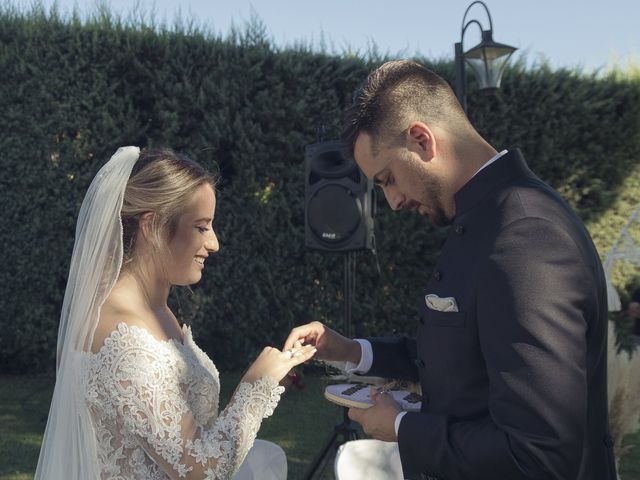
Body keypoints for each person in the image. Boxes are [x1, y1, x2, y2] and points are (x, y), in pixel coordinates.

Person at [285, 60, 616, 480]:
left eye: (387, 179)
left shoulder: (525, 236)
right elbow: (464, 358)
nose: (393, 201)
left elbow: (539, 455)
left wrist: (403, 427)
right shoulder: (487, 219)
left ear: (422, 140)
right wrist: (351, 351)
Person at [35, 147, 316, 480]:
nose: (214, 243)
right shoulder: (124, 343)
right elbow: (203, 470)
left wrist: (267, 380)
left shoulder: (156, 311)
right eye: (201, 227)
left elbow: (184, 432)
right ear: (152, 227)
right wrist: (255, 388)